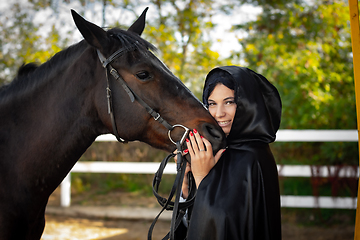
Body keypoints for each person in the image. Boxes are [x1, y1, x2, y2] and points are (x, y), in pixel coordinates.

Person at [177, 66, 282, 240]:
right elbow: (193, 226)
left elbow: (224, 229)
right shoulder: (218, 150)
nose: (219, 113)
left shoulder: (254, 158)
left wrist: (203, 179)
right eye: (212, 104)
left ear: (248, 104)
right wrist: (186, 185)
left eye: (229, 102)